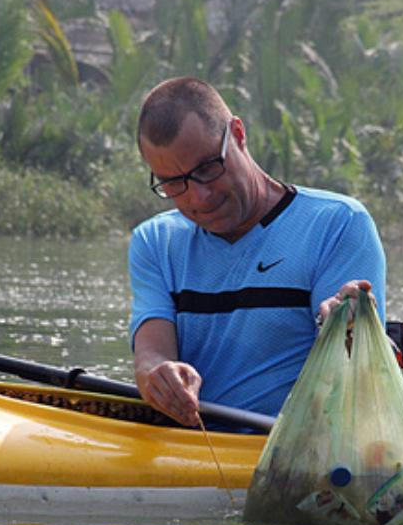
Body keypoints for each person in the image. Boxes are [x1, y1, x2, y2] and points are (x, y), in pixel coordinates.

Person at [129, 77, 387, 427]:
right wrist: (157, 374)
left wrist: (342, 322)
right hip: (192, 448)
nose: (199, 197)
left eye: (207, 169)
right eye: (174, 183)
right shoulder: (154, 241)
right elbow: (151, 351)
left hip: (297, 450)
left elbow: (355, 372)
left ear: (237, 134)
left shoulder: (338, 223)